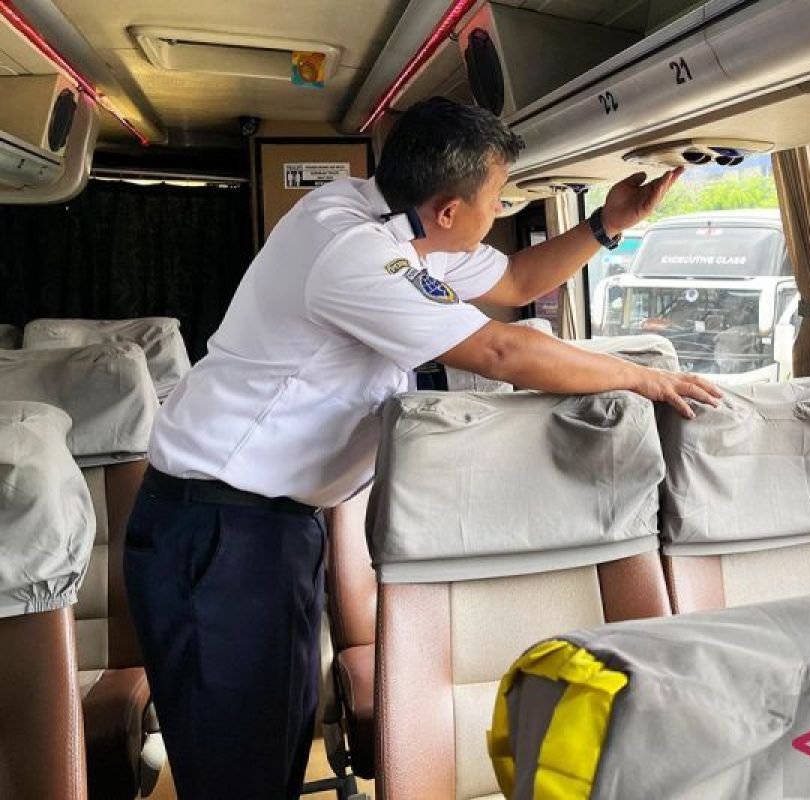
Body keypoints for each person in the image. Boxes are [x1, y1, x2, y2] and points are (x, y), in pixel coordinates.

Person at [122, 97, 724, 799]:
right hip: (218, 531)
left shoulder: (401, 223)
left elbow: (519, 283)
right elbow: (501, 349)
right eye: (497, 199)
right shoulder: (352, 250)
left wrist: (606, 225)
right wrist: (645, 378)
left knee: (273, 748)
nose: (498, 215)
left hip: (267, 526)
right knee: (238, 772)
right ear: (447, 208)